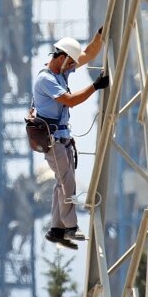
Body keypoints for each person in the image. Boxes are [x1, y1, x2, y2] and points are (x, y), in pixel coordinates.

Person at [33, 28, 109, 250]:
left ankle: (56, 230)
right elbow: (69, 100)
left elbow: (87, 54)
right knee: (67, 183)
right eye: (69, 61)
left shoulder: (61, 72)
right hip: (52, 141)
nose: (72, 66)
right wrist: (95, 86)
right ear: (60, 57)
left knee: (61, 183)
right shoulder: (46, 80)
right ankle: (70, 227)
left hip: (62, 138)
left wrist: (99, 36)